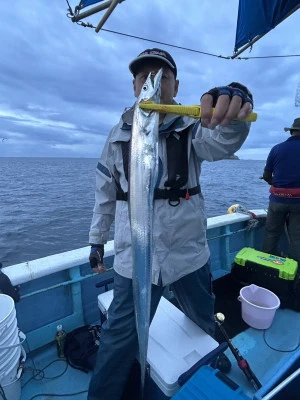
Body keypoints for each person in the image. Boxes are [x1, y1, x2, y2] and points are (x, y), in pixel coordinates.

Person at [88, 48, 253, 400]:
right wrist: (96, 241)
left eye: (161, 76)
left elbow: (224, 142)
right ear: (134, 86)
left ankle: (209, 360)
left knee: (201, 316)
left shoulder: (193, 125)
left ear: (176, 85)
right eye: (143, 77)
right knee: (119, 335)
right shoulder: (118, 134)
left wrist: (234, 105)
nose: (152, 83)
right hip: (134, 256)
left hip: (187, 252)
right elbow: (104, 192)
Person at [262, 118, 300, 263]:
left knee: (271, 233)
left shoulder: (276, 149)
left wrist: (275, 184)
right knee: (297, 237)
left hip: (277, 200)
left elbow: (266, 176)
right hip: (298, 203)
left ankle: (265, 265)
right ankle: (295, 273)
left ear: (291, 131)